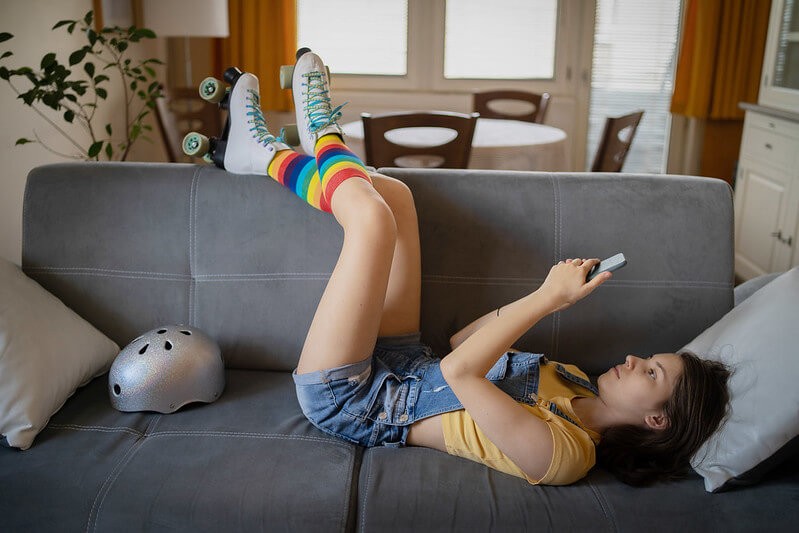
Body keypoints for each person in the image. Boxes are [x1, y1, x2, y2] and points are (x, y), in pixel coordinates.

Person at [211, 48, 731, 487]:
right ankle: (258, 155)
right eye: (651, 359)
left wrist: (550, 298)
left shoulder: (567, 455)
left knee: (371, 221)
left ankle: (318, 139)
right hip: (406, 360)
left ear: (657, 420)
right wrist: (540, 291)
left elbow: (461, 375)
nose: (637, 359)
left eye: (653, 371)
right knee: (395, 196)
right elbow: (461, 344)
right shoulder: (574, 380)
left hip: (357, 403)